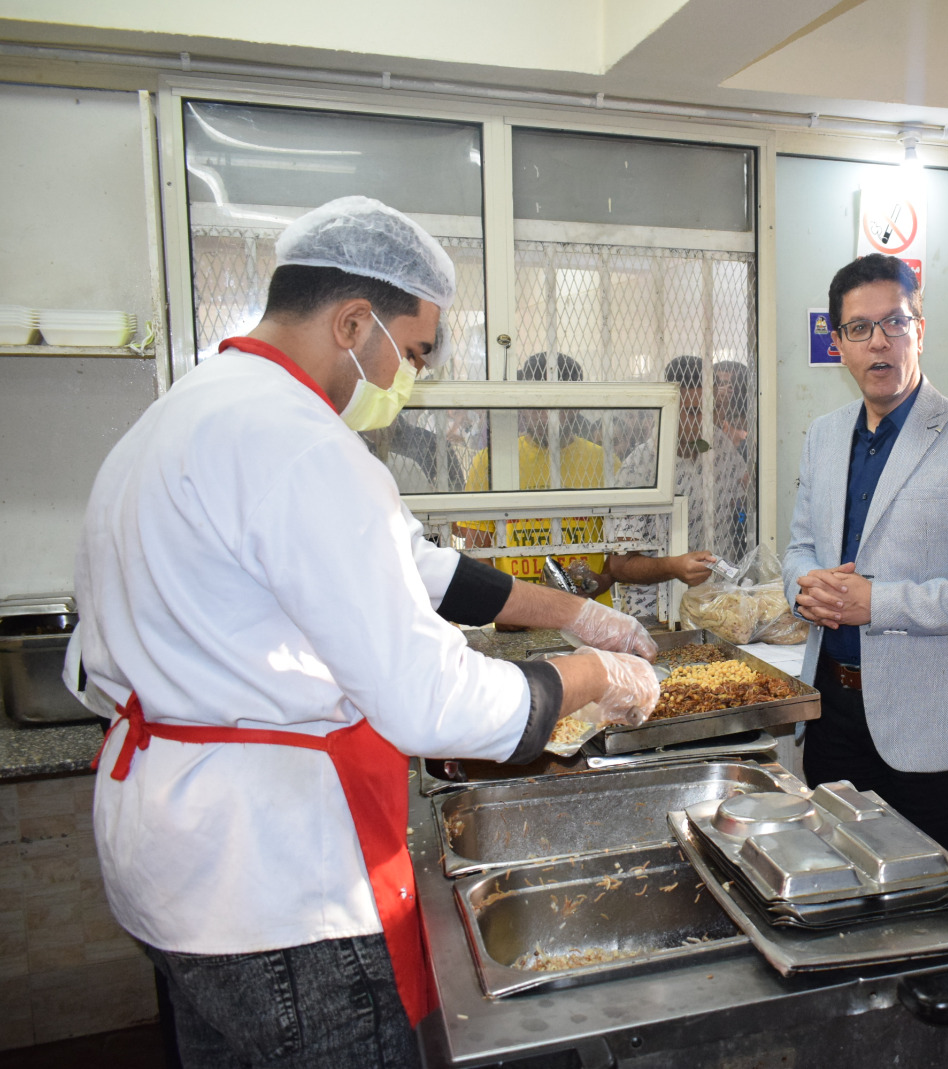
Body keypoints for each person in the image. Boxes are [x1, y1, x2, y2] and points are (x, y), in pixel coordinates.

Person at [70, 196, 661, 1068]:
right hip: (275, 880)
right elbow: (432, 702)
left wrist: (574, 610)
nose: (409, 377)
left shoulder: (182, 415)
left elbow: (415, 566)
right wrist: (592, 676)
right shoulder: (301, 443)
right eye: (413, 351)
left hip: (172, 862)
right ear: (353, 322)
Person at [783, 253, 948, 862]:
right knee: (835, 877)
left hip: (930, 727)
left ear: (920, 329)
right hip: (832, 712)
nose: (879, 342)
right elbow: (801, 547)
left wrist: (878, 603)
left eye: (894, 322)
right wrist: (804, 588)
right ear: (839, 343)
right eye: (859, 328)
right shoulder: (824, 436)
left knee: (929, 896)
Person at [606, 354, 748, 618]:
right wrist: (673, 566)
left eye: (710, 409)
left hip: (715, 606)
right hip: (657, 612)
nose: (704, 421)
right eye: (693, 412)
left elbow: (744, 499)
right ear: (669, 408)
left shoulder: (720, 447)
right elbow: (619, 565)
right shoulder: (640, 467)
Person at [458, 352, 612, 562]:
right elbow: (477, 552)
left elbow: (621, 551)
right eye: (536, 404)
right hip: (514, 585)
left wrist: (599, 578)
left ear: (576, 406)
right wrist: (506, 586)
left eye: (555, 405)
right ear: (522, 404)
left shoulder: (604, 463)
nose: (545, 417)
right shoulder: (490, 462)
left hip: (582, 585)